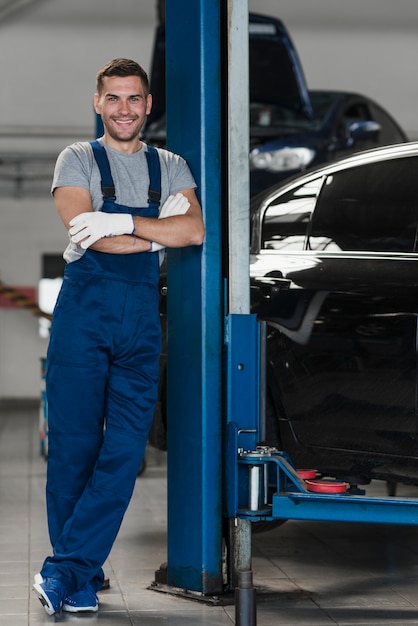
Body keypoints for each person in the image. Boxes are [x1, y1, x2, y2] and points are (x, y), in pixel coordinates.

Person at [33, 58, 205, 615]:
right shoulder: (77, 159)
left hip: (139, 323)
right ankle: (80, 577)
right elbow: (90, 236)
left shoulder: (173, 165)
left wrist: (126, 222)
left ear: (148, 104)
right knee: (73, 449)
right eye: (114, 99)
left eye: (134, 99)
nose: (124, 109)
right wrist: (158, 235)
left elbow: (195, 229)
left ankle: (65, 571)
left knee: (126, 449)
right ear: (97, 102)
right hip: (84, 315)